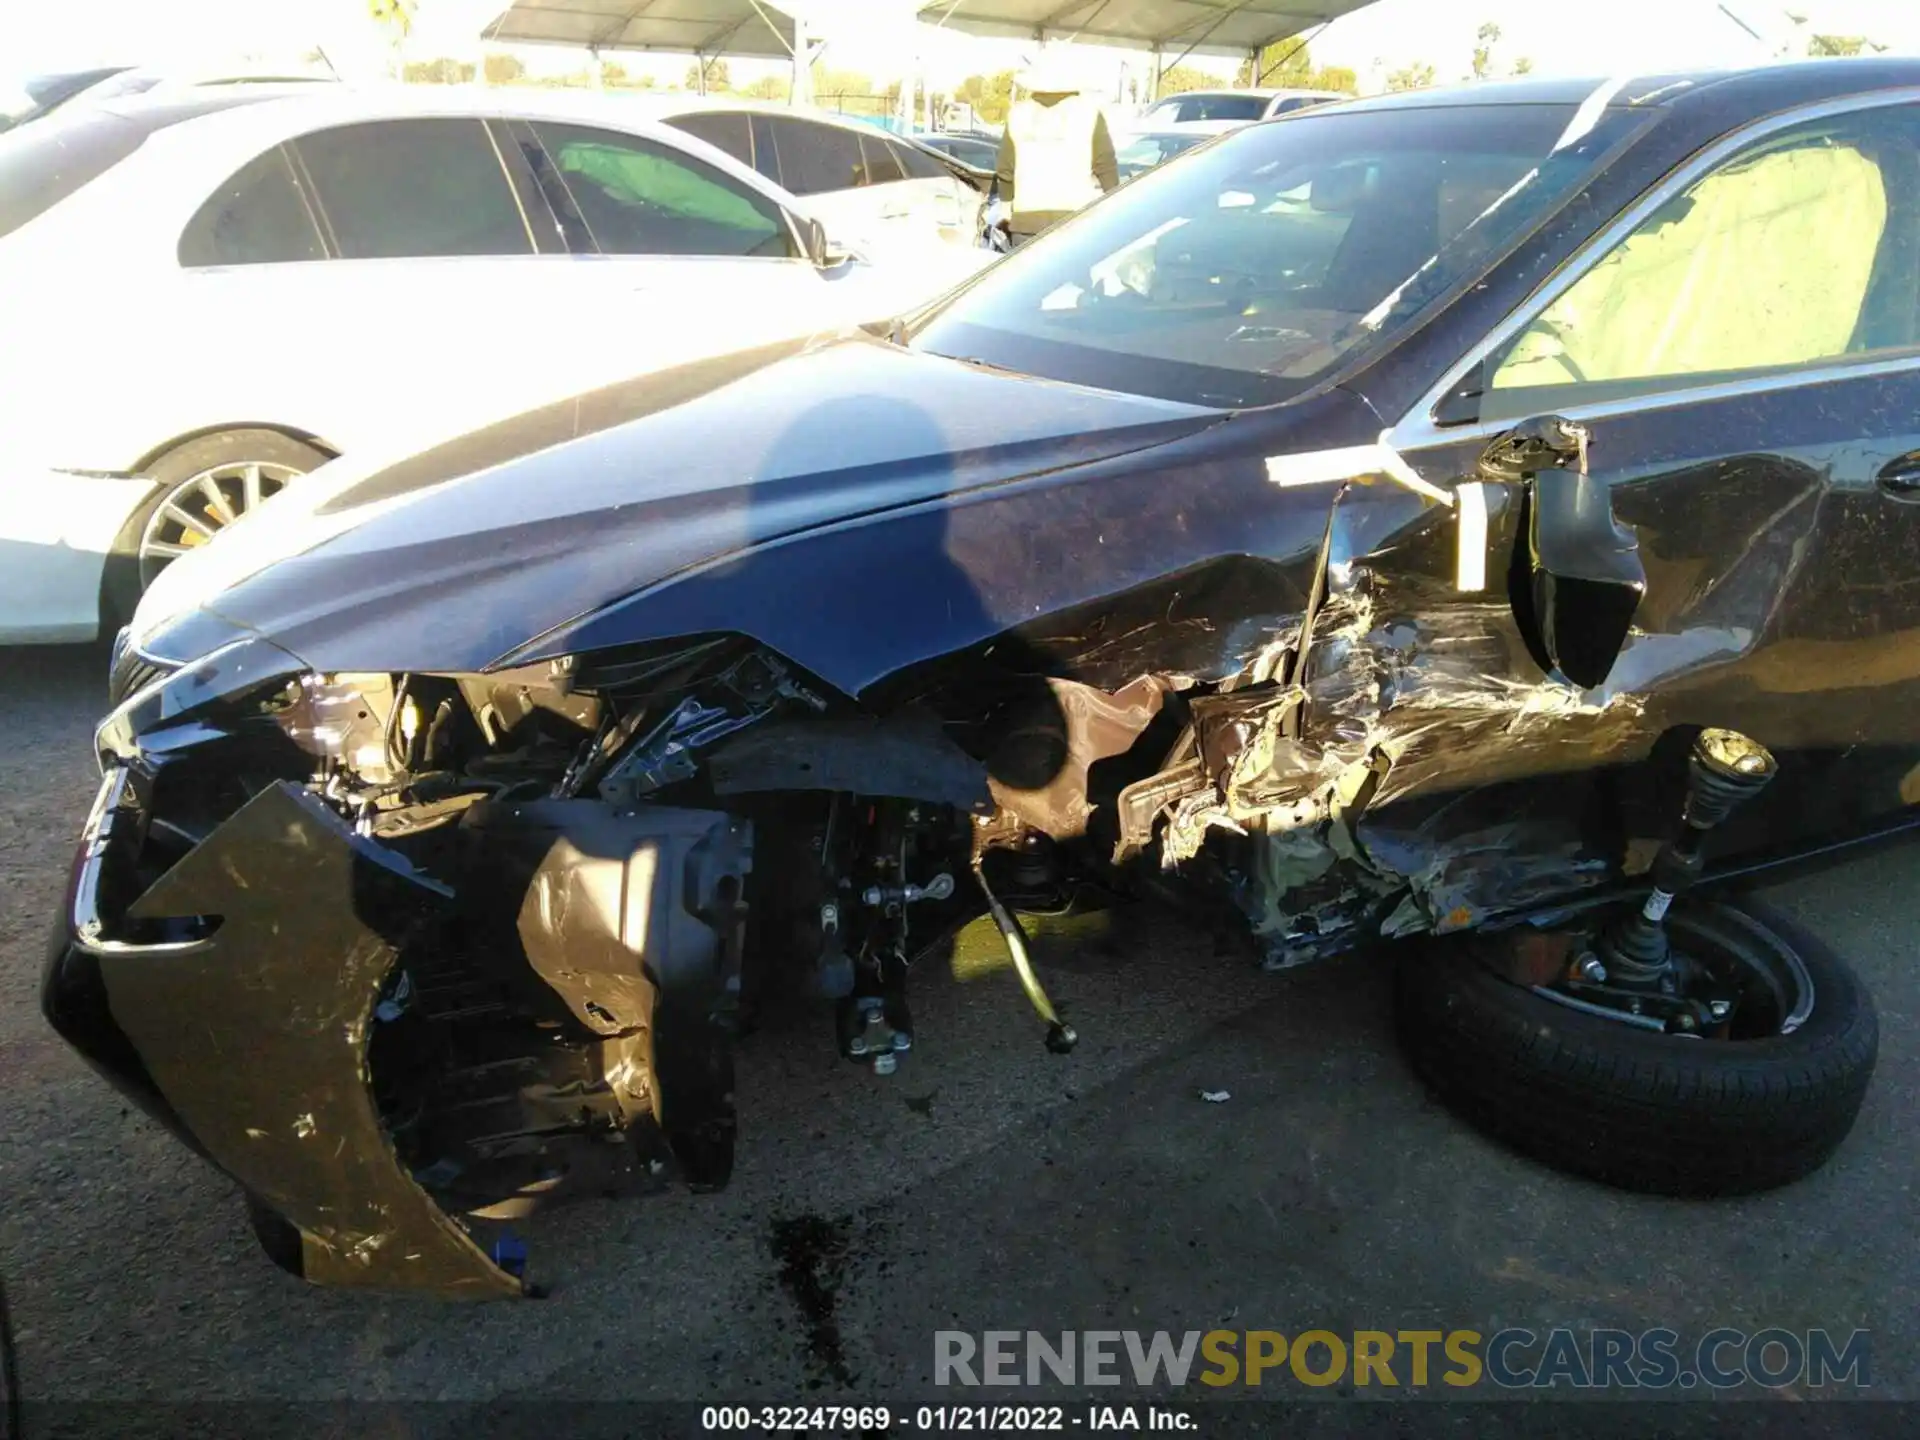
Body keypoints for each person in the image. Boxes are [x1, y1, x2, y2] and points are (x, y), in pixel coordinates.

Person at [993, 54, 1119, 246]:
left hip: (1027, 222)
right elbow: (1106, 167)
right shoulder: (1090, 113)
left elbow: (1005, 170)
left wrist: (1005, 212)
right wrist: (1116, 208)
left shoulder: (1018, 115)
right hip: (1075, 219)